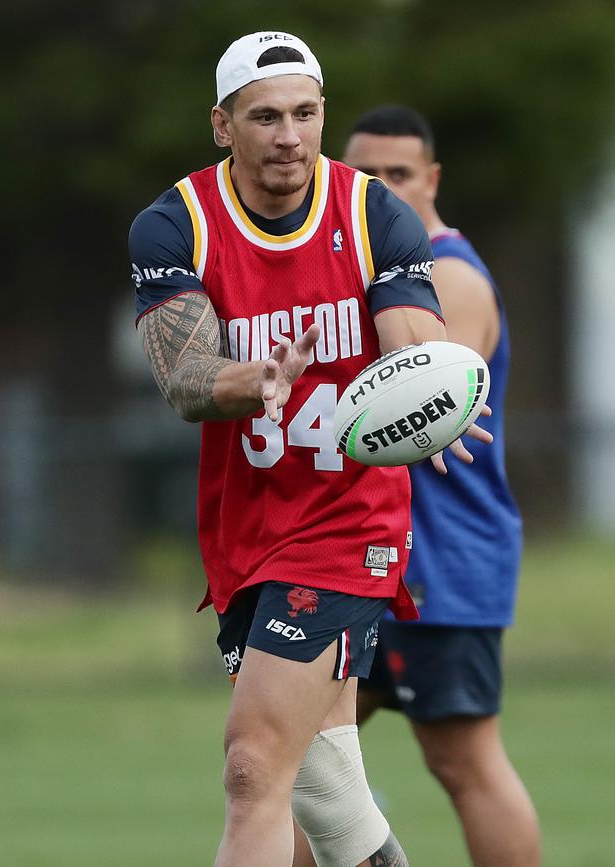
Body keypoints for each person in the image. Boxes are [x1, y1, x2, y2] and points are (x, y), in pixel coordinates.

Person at [129, 36, 490, 867]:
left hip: (347, 523)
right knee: (328, 792)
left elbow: (411, 341)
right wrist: (250, 376)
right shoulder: (174, 223)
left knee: (253, 766)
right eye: (265, 116)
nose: (289, 134)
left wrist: (426, 393)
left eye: (305, 113)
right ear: (223, 126)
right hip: (246, 531)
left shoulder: (373, 213)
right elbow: (183, 379)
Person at [318, 104, 538, 867]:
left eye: (398, 174)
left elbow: (427, 411)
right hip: (368, 558)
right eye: (363, 175)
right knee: (303, 766)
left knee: (463, 760)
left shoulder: (448, 274)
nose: (379, 189)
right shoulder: (380, 268)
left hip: (438, 564)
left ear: (432, 179)